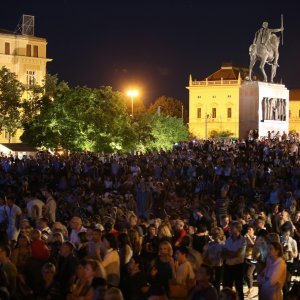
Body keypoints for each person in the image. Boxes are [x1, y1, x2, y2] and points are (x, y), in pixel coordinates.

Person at [222, 221, 246, 300]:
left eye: (232, 228)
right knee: (227, 287)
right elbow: (223, 253)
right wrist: (232, 253)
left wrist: (229, 253)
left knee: (239, 288)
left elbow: (238, 254)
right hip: (228, 266)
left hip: (238, 267)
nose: (230, 229)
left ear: (238, 229)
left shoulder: (243, 240)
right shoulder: (228, 239)